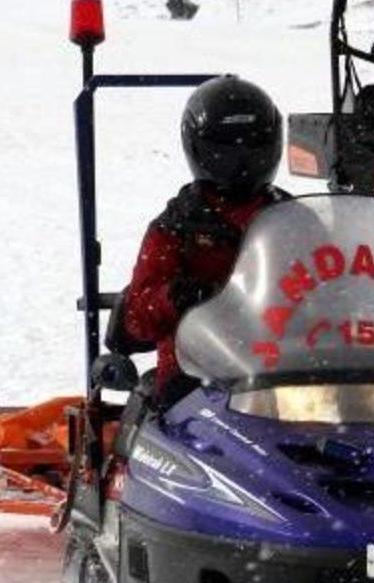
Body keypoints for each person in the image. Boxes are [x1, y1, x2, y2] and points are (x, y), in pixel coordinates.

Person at [122, 76, 290, 405]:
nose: (241, 163)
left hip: (287, 369)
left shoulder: (292, 219)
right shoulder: (177, 226)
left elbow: (334, 278)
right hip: (195, 375)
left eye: (252, 150)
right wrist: (177, 296)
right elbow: (136, 317)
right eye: (226, 152)